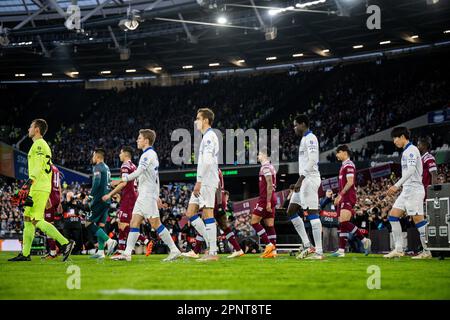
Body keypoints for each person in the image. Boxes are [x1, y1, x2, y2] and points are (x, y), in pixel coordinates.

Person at [8, 119, 74, 262]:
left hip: (37, 187)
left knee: (36, 219)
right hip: (38, 186)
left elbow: (38, 167)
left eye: (30, 127)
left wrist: (28, 183)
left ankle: (65, 243)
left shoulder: (39, 145)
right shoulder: (41, 145)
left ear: (37, 129)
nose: (28, 129)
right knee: (27, 218)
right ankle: (25, 254)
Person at [111, 129, 181, 261]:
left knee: (155, 224)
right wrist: (157, 194)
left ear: (146, 141)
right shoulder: (149, 155)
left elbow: (139, 171)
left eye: (139, 138)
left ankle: (174, 249)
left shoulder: (148, 155)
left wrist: (122, 179)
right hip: (144, 195)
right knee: (134, 222)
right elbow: (156, 177)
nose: (137, 140)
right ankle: (127, 253)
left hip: (146, 196)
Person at [385, 127, 430, 259]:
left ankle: (427, 251)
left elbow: (410, 171)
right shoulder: (406, 151)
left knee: (418, 220)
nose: (394, 141)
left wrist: (396, 185)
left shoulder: (411, 150)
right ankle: (399, 249)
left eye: (395, 138)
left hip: (414, 190)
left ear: (403, 136)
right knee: (393, 215)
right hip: (406, 190)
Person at [102, 146, 152, 256]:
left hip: (129, 199)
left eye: (120, 153)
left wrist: (110, 194)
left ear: (125, 154)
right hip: (131, 197)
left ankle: (146, 241)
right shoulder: (134, 166)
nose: (119, 155)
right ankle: (121, 249)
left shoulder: (125, 165)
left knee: (125, 225)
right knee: (121, 224)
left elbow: (124, 183)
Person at [185, 108, 221, 261]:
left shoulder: (209, 137)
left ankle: (212, 252)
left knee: (207, 213)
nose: (196, 121)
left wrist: (199, 181)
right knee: (191, 213)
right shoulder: (207, 137)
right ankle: (211, 243)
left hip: (206, 181)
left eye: (198, 118)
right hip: (203, 180)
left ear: (205, 120)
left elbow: (206, 161)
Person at [286, 114, 324, 260]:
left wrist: (301, 180)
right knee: (291, 211)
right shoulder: (303, 140)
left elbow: (313, 160)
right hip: (303, 179)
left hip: (310, 180)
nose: (294, 128)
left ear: (303, 124)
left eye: (296, 125)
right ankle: (308, 245)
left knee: (313, 213)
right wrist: (298, 181)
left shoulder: (311, 138)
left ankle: (319, 251)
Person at [183, 169, 244, 259]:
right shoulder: (216, 169)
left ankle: (204, 250)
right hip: (218, 198)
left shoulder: (212, 168)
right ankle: (238, 249)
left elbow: (218, 186)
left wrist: (219, 204)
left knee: (207, 224)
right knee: (222, 226)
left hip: (215, 199)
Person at [330, 144, 371, 257]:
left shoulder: (349, 165)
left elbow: (350, 182)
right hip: (344, 197)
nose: (337, 155)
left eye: (338, 153)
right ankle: (341, 251)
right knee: (342, 224)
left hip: (348, 197)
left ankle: (364, 240)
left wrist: (340, 195)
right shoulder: (344, 165)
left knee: (344, 222)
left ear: (344, 152)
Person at [85, 148, 117, 259]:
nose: (92, 158)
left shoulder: (97, 167)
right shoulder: (107, 168)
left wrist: (90, 196)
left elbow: (97, 182)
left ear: (97, 157)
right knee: (101, 225)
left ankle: (109, 241)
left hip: (99, 199)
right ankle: (101, 252)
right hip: (107, 200)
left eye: (93, 156)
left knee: (87, 223)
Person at [251, 149, 278, 258]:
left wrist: (267, 202)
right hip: (272, 198)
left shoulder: (265, 167)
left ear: (265, 155)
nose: (258, 156)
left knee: (254, 222)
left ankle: (269, 245)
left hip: (265, 198)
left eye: (260, 154)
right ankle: (273, 251)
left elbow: (269, 185)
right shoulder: (271, 167)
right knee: (270, 225)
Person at [41, 164, 62, 259]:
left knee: (48, 226)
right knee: (51, 225)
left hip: (50, 198)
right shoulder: (56, 169)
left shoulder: (47, 167)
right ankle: (55, 249)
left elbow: (46, 183)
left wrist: (47, 199)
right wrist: (60, 200)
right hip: (56, 197)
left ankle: (53, 252)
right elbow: (59, 185)